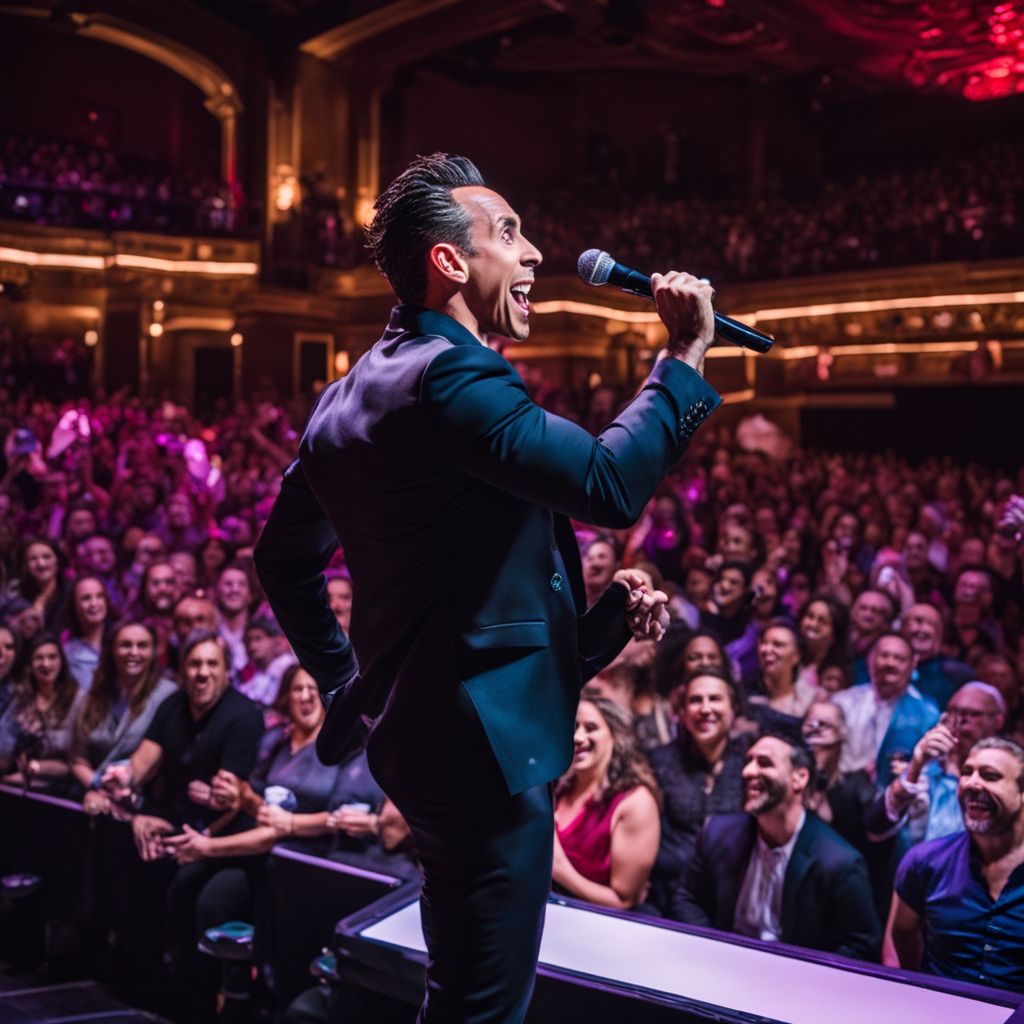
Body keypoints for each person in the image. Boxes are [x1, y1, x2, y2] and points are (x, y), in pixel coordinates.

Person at [254, 152, 718, 1024]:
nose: (535, 251)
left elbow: (293, 562)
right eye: (509, 232)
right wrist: (683, 355)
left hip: (431, 746)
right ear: (450, 261)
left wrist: (345, 682)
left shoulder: (345, 397)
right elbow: (609, 486)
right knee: (481, 1006)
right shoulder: (455, 375)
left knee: (468, 985)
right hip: (484, 763)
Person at [669, 732, 881, 961]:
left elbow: (861, 947)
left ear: (799, 778)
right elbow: (687, 899)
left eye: (765, 763)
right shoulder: (718, 833)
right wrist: (715, 953)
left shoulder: (839, 863)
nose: (747, 771)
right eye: (748, 761)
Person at [887, 737, 1024, 991]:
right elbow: (903, 934)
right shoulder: (925, 862)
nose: (972, 783)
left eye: (990, 776)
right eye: (966, 772)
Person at [647, 667, 750, 914]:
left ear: (734, 707)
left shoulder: (751, 762)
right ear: (682, 712)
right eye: (695, 700)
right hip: (666, 900)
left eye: (715, 699)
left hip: (733, 904)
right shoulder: (658, 762)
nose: (705, 709)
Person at [552, 688, 661, 909]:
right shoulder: (559, 788)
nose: (578, 737)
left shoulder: (634, 803)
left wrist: (560, 871)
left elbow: (623, 901)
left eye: (591, 728)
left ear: (616, 736)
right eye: (573, 728)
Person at [867, 681, 1006, 845]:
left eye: (972, 714)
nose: (960, 721)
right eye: (953, 711)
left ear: (997, 721)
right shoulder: (924, 770)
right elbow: (875, 830)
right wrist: (916, 766)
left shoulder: (1005, 775)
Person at [70, 621, 177, 812]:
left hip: (141, 804)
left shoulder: (167, 695)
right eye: (126, 645)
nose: (133, 652)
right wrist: (97, 783)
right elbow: (77, 757)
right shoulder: (95, 694)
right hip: (89, 797)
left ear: (153, 652)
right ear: (112, 650)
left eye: (142, 645)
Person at [832, 633, 940, 786]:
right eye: (884, 656)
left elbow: (934, 766)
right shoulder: (843, 702)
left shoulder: (927, 713)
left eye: (899, 659)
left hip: (898, 794)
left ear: (912, 664)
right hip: (844, 790)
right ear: (870, 659)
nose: (890, 663)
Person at [0, 632, 85, 793]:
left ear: (62, 661)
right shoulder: (20, 696)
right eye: (39, 658)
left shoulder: (77, 700)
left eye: (52, 657)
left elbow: (76, 762)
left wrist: (37, 767)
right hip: (14, 786)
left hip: (60, 791)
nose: (46, 664)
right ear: (29, 664)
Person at [900, 602, 972, 710]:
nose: (922, 629)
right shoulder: (886, 666)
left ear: (940, 633)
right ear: (903, 629)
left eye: (930, 624)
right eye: (917, 621)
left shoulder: (957, 673)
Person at [62, 574, 114, 689]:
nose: (94, 603)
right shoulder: (67, 653)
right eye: (86, 598)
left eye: (100, 596)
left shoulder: (120, 644)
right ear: (74, 605)